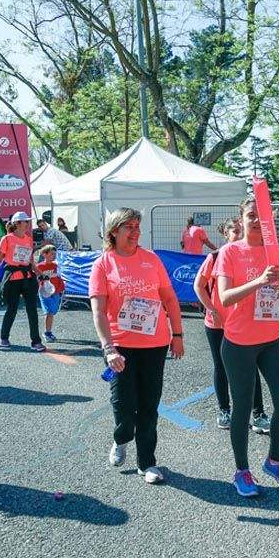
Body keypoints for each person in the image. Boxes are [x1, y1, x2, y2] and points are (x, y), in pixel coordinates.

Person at [214, 199, 279, 497]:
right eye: (250, 215)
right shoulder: (230, 252)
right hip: (239, 343)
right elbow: (225, 298)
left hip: (270, 340)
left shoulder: (275, 251)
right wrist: (259, 281)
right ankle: (242, 471)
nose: (256, 220)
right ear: (241, 220)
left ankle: (275, 461)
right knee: (242, 409)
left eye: (261, 216)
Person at [90, 208, 184, 485]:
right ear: (114, 231)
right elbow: (98, 311)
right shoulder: (104, 264)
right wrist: (108, 349)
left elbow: (169, 298)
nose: (134, 232)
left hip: (154, 344)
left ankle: (147, 462)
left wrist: (177, 334)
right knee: (123, 403)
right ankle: (121, 439)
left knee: (148, 405)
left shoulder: (151, 260)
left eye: (137, 227)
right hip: (120, 346)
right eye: (128, 227)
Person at [193, 218, 271, 434]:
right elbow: (198, 286)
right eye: (234, 231)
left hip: (243, 321)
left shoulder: (251, 255)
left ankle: (258, 413)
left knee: (251, 366)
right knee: (221, 366)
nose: (238, 234)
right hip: (218, 323)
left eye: (240, 230)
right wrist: (211, 308)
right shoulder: (216, 256)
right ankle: (224, 410)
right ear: (226, 235)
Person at [0, 211, 45, 351]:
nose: (28, 224)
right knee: (12, 309)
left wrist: (40, 274)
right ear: (17, 223)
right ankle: (4, 337)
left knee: (32, 310)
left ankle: (36, 341)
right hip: (12, 278)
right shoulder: (7, 239)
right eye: (25, 222)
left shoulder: (29, 239)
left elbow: (30, 260)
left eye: (28, 221)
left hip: (28, 278)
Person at [37, 245, 66, 343]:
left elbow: (60, 278)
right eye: (51, 254)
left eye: (55, 254)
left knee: (53, 312)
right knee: (48, 312)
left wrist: (61, 288)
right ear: (44, 254)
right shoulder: (39, 266)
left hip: (56, 292)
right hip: (45, 293)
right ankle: (47, 332)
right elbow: (36, 278)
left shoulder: (56, 266)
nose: (54, 256)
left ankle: (48, 331)